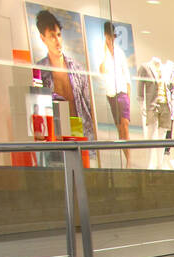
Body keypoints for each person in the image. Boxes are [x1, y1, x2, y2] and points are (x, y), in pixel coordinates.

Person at [35, 10, 96, 145]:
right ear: (42, 38)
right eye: (52, 36)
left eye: (59, 35)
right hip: (56, 135)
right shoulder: (39, 71)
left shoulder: (77, 69)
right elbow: (37, 109)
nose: (58, 41)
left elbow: (88, 105)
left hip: (80, 132)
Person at [99, 22, 132, 165]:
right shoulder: (103, 53)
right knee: (119, 128)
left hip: (122, 91)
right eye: (108, 36)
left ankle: (129, 159)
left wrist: (129, 91)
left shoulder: (119, 53)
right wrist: (106, 53)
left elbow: (126, 72)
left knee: (124, 125)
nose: (110, 39)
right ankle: (126, 157)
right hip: (110, 92)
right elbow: (101, 70)